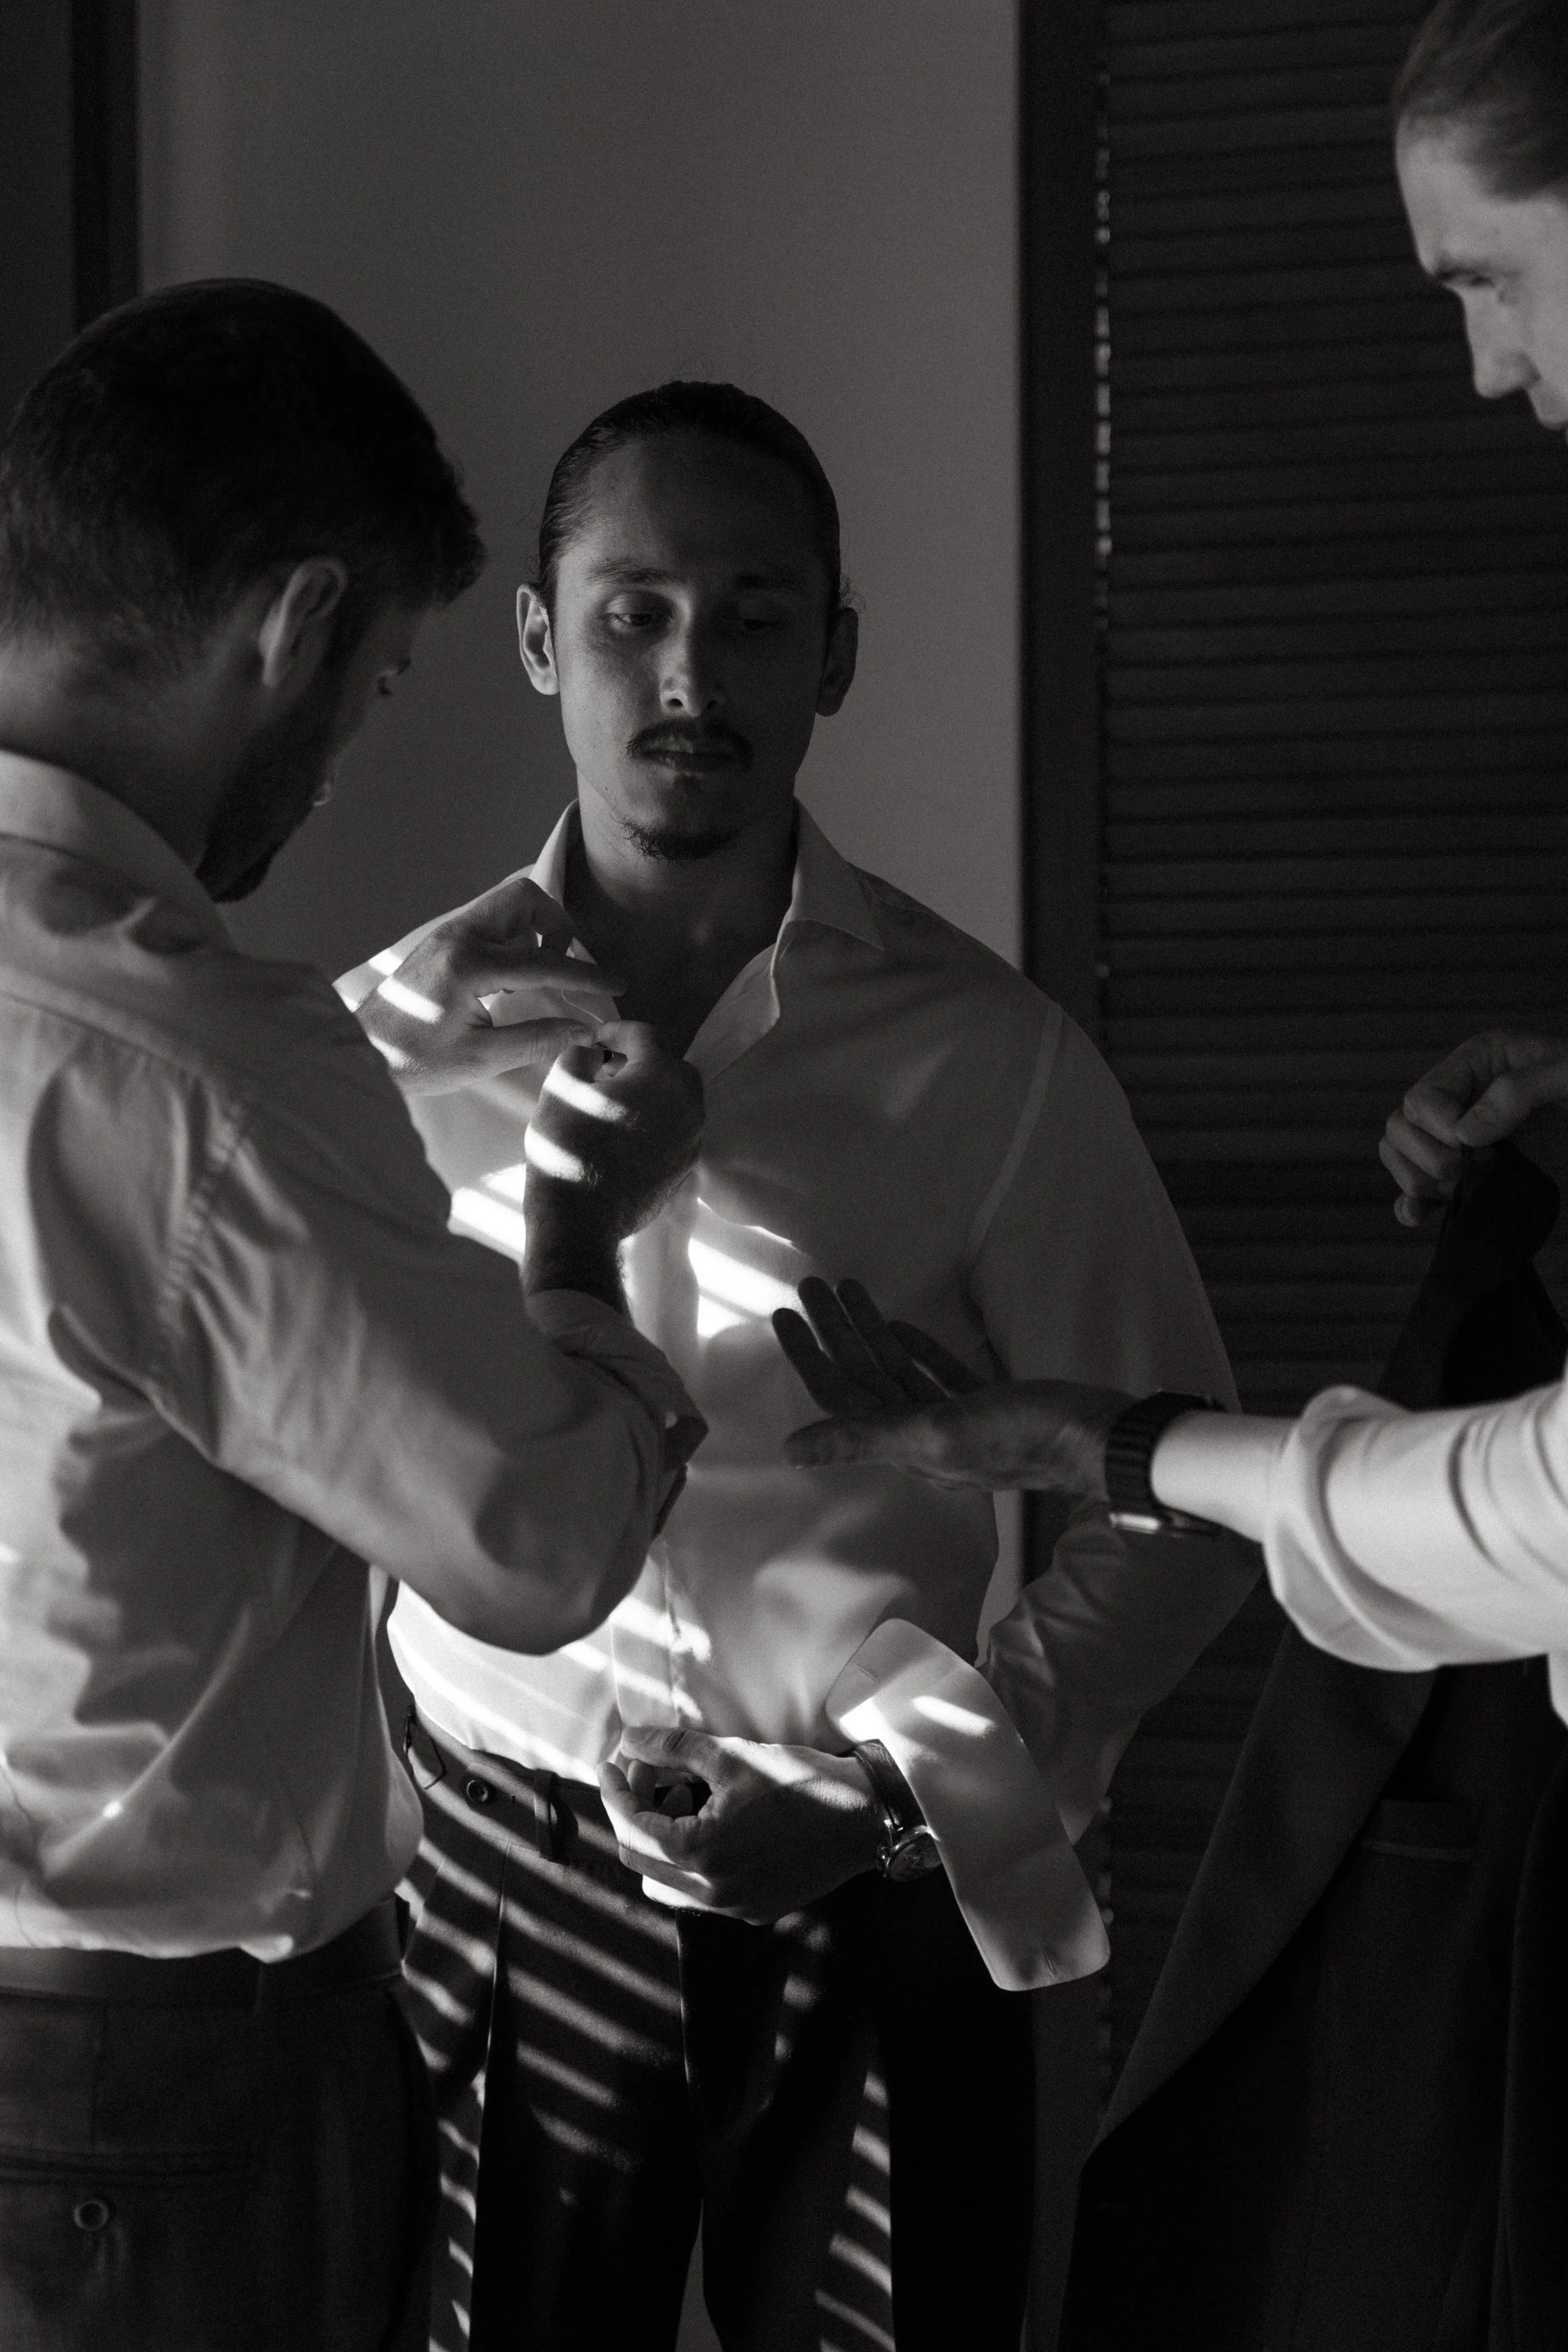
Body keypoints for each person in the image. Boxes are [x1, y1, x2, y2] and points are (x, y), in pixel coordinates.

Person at [342, 379, 1254, 2352]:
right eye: (631, 612)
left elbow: (1182, 1515)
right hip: (492, 1867)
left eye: (753, 615)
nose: (690, 671)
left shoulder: (988, 1060)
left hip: (880, 1874)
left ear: (832, 655)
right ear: (536, 640)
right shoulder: (379, 1052)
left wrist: (916, 1792)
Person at [0, 280, 704, 2352]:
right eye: (378, 682)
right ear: (298, 626)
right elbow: (532, 1540)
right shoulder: (199, 1062)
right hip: (141, 2110)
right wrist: (575, 1248)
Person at [775, 0, 1568, 1752]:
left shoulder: (986, 1052)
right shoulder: (395, 1015)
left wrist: (1104, 1450)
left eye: (1484, 280)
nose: (1487, 372)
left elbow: (1547, 1507)